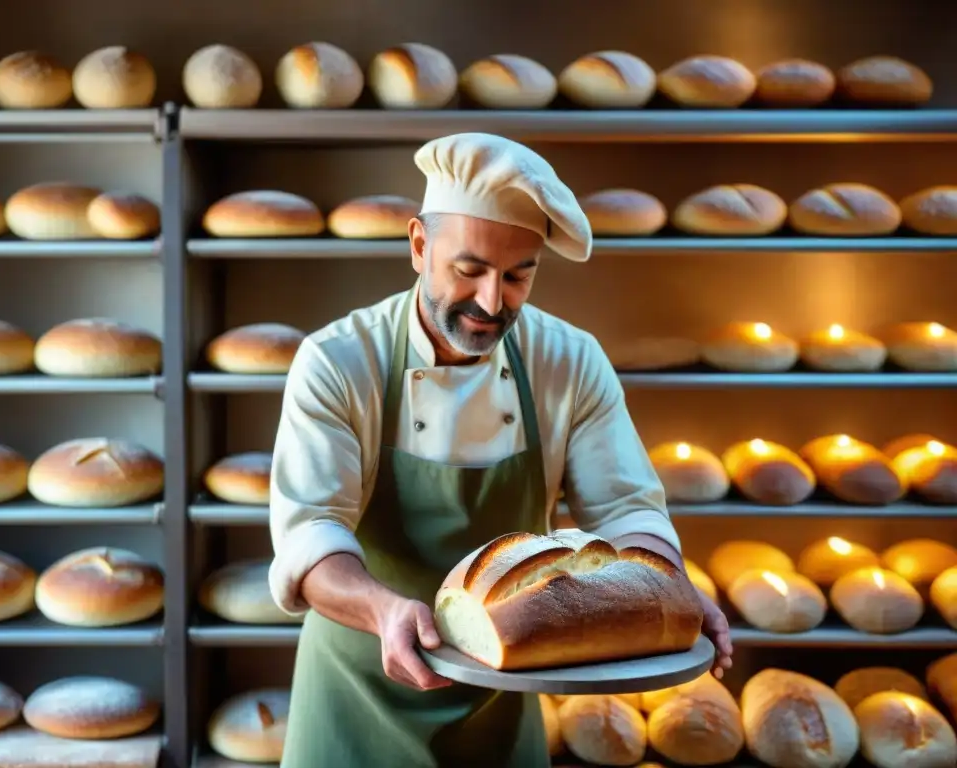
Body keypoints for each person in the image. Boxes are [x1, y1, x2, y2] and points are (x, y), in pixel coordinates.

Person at [268, 132, 732, 768]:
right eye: (469, 270)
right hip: (358, 689)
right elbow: (310, 533)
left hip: (505, 688)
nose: (492, 302)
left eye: (518, 276)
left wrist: (665, 590)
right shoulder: (339, 362)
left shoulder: (569, 360)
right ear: (419, 245)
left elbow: (625, 509)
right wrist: (383, 610)